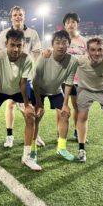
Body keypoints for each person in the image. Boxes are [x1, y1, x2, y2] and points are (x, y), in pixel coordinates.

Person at [0, 29, 41, 173]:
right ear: (6, 44)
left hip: (18, 90)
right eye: (12, 45)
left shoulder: (27, 59)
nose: (16, 49)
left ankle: (26, 157)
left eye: (19, 45)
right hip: (1, 89)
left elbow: (23, 83)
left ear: (23, 45)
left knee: (30, 116)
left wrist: (27, 105)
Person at [0, 6, 42, 148]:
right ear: (11, 17)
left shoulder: (32, 33)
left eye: (20, 14)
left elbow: (37, 52)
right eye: (15, 14)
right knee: (10, 104)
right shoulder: (4, 33)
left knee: (27, 106)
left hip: (26, 75)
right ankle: (10, 136)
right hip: (10, 75)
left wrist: (33, 68)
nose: (18, 17)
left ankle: (34, 134)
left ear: (24, 16)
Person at [31, 30, 78, 162]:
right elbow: (35, 82)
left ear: (69, 45)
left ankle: (61, 148)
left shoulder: (73, 61)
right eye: (57, 43)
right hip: (38, 89)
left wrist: (65, 105)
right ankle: (32, 149)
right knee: (36, 116)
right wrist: (39, 103)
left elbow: (69, 83)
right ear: (52, 45)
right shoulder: (44, 57)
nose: (61, 46)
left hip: (56, 90)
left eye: (64, 43)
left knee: (65, 114)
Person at [63, 12, 87, 142]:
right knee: (62, 108)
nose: (70, 24)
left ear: (77, 24)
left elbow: (89, 60)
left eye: (73, 22)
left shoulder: (84, 41)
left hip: (80, 80)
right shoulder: (62, 41)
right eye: (67, 22)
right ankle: (61, 133)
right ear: (65, 25)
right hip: (65, 80)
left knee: (77, 107)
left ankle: (77, 131)